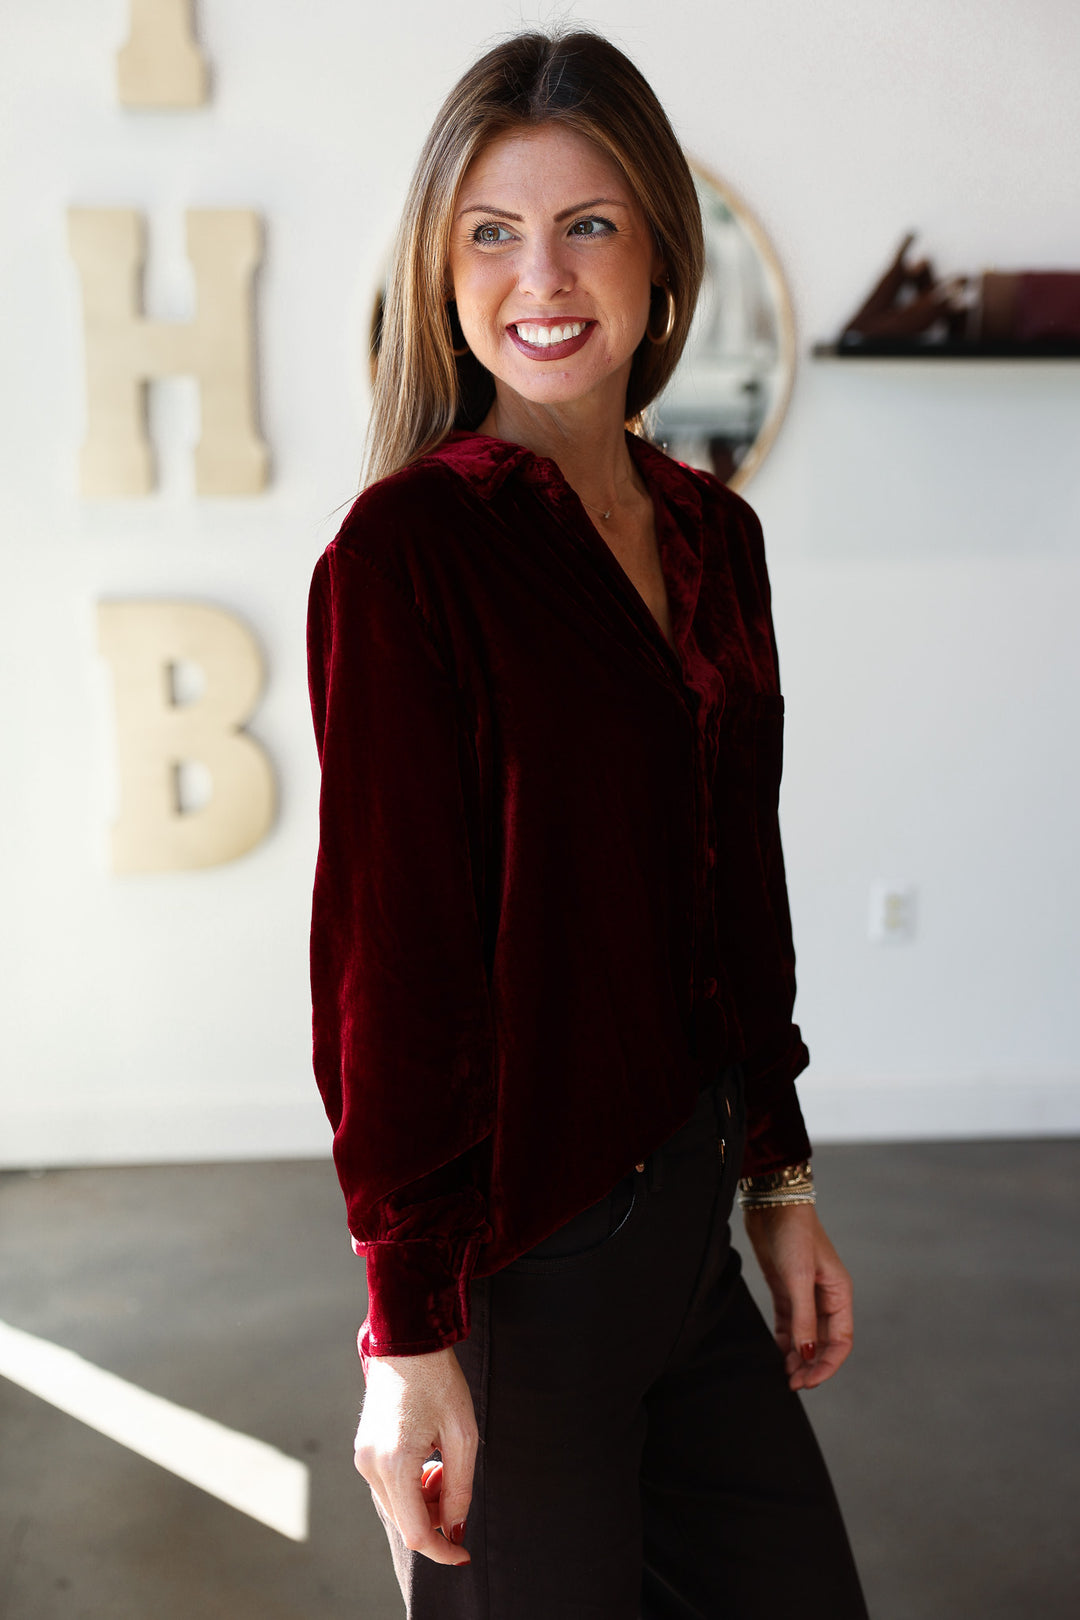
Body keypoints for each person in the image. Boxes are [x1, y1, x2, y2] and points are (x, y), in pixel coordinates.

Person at [306, 27, 870, 1620]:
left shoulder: (713, 536)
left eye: (588, 224)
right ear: (441, 269)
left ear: (660, 253)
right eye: (492, 232)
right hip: (522, 1270)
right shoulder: (406, 553)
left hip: (688, 1230)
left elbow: (739, 894)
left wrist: (780, 1180)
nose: (540, 277)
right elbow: (387, 968)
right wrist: (407, 1330)